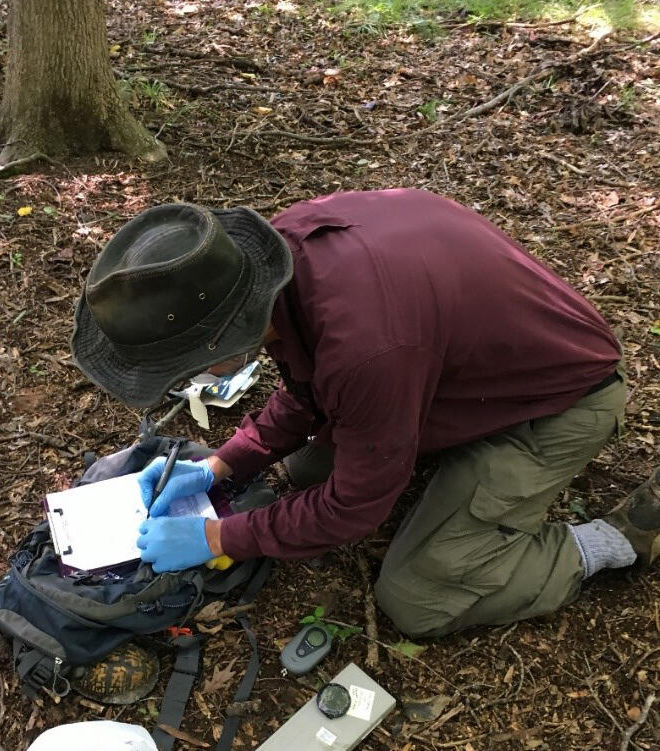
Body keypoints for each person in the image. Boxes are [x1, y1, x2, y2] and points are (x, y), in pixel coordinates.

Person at [71, 191, 659, 639]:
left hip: (558, 402)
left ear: (225, 338)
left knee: (416, 599)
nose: (189, 382)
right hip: (457, 376)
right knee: (307, 470)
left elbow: (351, 509)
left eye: (182, 368)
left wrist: (216, 534)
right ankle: (439, 457)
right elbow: (309, 385)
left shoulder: (368, 349)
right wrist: (223, 465)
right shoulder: (272, 264)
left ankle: (614, 541)